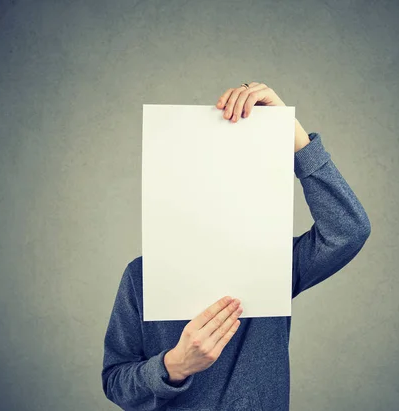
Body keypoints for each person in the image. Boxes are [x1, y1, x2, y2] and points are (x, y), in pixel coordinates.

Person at [102, 82, 372, 410]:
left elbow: (349, 230)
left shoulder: (275, 261)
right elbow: (115, 382)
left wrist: (293, 134)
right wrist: (175, 365)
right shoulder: (140, 276)